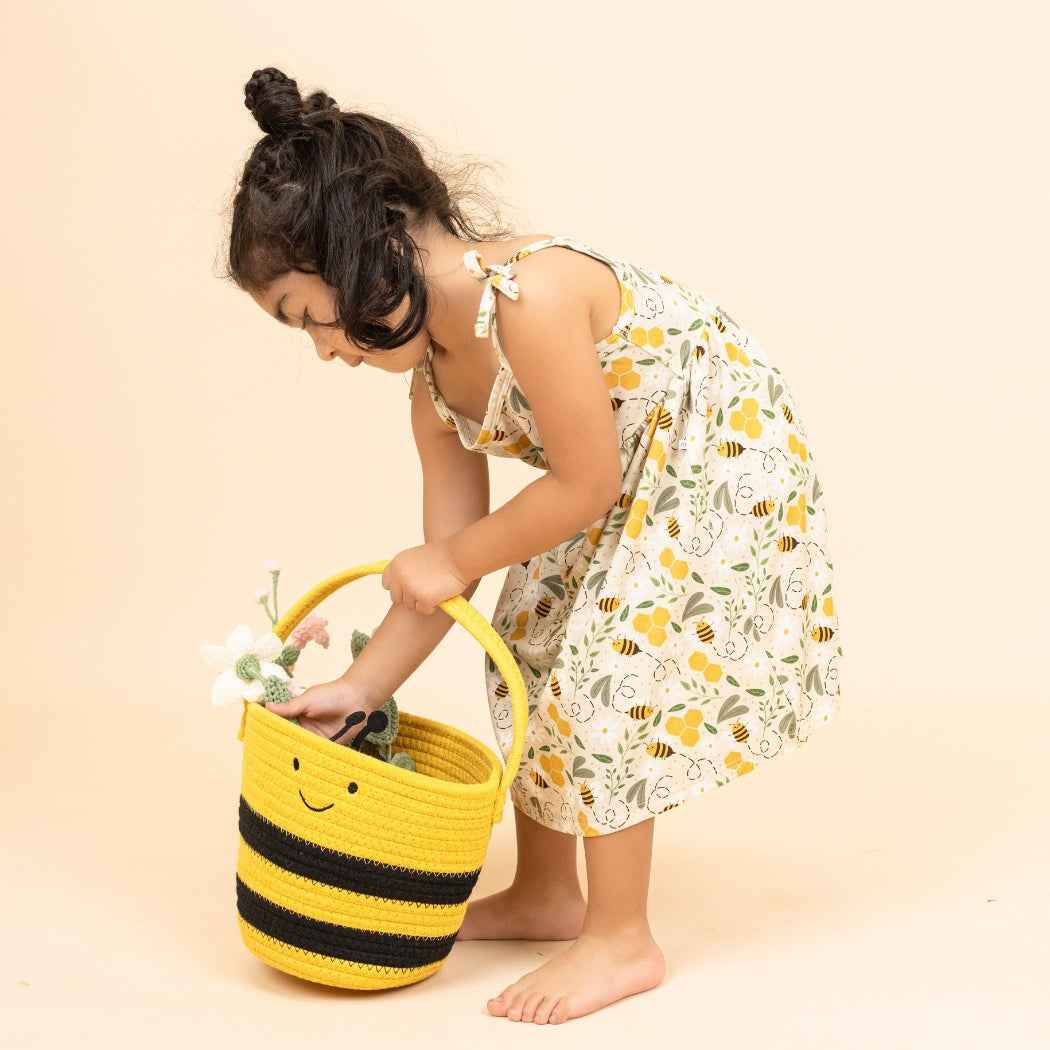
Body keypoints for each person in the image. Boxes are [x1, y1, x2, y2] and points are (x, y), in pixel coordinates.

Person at [227, 67, 841, 1025]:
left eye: (309, 315)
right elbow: (446, 571)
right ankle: (548, 893)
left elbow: (580, 486)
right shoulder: (430, 386)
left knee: (610, 674)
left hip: (721, 451)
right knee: (523, 639)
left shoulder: (529, 294)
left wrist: (458, 559)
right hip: (616, 473)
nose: (324, 350)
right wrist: (360, 688)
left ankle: (621, 936)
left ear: (358, 247)